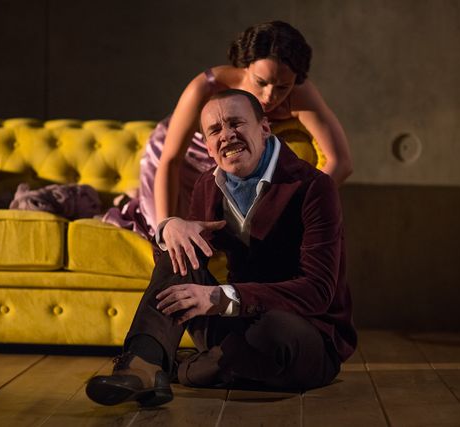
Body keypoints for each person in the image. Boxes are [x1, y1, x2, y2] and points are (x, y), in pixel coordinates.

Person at [86, 89, 356, 407]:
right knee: (180, 253)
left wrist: (219, 297)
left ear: (264, 128)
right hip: (237, 324)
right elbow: (177, 267)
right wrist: (169, 228)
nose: (226, 135)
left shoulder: (313, 186)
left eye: (236, 123)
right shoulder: (208, 185)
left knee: (272, 334)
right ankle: (141, 365)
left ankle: (185, 370)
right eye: (215, 130)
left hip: (304, 332)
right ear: (208, 146)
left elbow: (318, 291)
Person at [103, 20, 352, 237]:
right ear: (245, 65)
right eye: (261, 82)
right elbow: (170, 160)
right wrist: (167, 227)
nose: (270, 96)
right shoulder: (206, 87)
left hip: (230, 162)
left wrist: (297, 204)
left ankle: (133, 199)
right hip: (184, 155)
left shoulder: (300, 95)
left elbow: (341, 162)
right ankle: (129, 204)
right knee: (162, 233)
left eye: (282, 87)